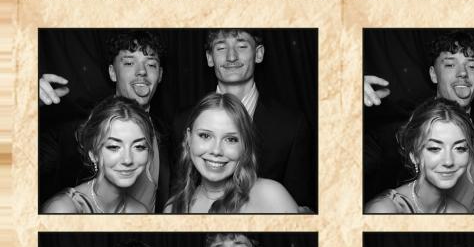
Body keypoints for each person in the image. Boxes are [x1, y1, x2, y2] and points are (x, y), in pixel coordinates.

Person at [171, 28, 314, 208]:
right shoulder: (182, 121)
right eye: (221, 48)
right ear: (209, 57)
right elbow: (179, 190)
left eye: (242, 46)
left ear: (259, 54)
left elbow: (300, 205)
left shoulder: (291, 125)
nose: (231, 57)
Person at [39, 30, 170, 211]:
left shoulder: (169, 131)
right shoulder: (77, 129)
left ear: (160, 74)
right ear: (112, 72)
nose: (142, 71)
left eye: (151, 64)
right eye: (129, 62)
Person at [364, 31, 474, 211]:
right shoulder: (400, 129)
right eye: (450, 64)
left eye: (471, 66)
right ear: (433, 74)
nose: (462, 73)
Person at [164, 93, 300, 214]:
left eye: (230, 139)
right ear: (188, 138)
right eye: (205, 136)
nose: (216, 151)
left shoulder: (271, 196)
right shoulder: (173, 208)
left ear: (244, 145)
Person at [41, 96, 156, 214]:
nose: (128, 160)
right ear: (93, 154)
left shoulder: (140, 211)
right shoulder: (63, 209)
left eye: (139, 147)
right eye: (114, 147)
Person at [364, 98, 474, 214]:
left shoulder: (460, 213)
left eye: (460, 148)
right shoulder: (384, 210)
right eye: (435, 148)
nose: (449, 161)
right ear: (414, 155)